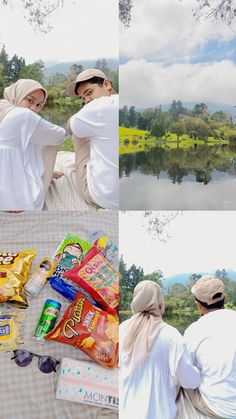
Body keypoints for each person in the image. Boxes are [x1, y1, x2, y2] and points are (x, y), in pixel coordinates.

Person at [119, 280, 201, 419]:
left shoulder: (121, 329)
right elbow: (189, 381)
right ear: (159, 301)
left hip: (126, 412)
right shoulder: (170, 335)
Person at [0, 79, 66, 211]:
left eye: (38, 105)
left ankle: (44, 171)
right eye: (30, 100)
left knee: (30, 135)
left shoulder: (3, 107)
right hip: (12, 198)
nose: (33, 108)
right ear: (17, 94)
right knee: (49, 138)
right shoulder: (23, 115)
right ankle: (43, 173)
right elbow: (61, 135)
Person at [184, 275, 236, 419]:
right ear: (224, 298)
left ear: (198, 305)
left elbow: (186, 369)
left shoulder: (194, 330)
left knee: (182, 377)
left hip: (219, 409)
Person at [66, 68, 118, 210]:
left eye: (89, 93)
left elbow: (69, 126)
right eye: (83, 98)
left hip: (104, 197)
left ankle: (83, 168)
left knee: (78, 133)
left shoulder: (99, 107)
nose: (87, 101)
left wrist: (82, 115)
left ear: (107, 84)